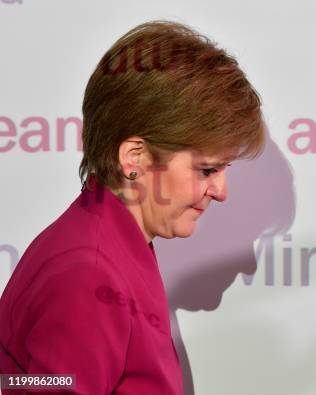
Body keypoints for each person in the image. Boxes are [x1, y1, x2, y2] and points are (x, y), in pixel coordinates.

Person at [0, 20, 264, 394]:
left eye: (224, 169)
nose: (221, 190)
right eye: (207, 169)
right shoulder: (89, 274)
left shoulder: (110, 240)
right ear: (134, 158)